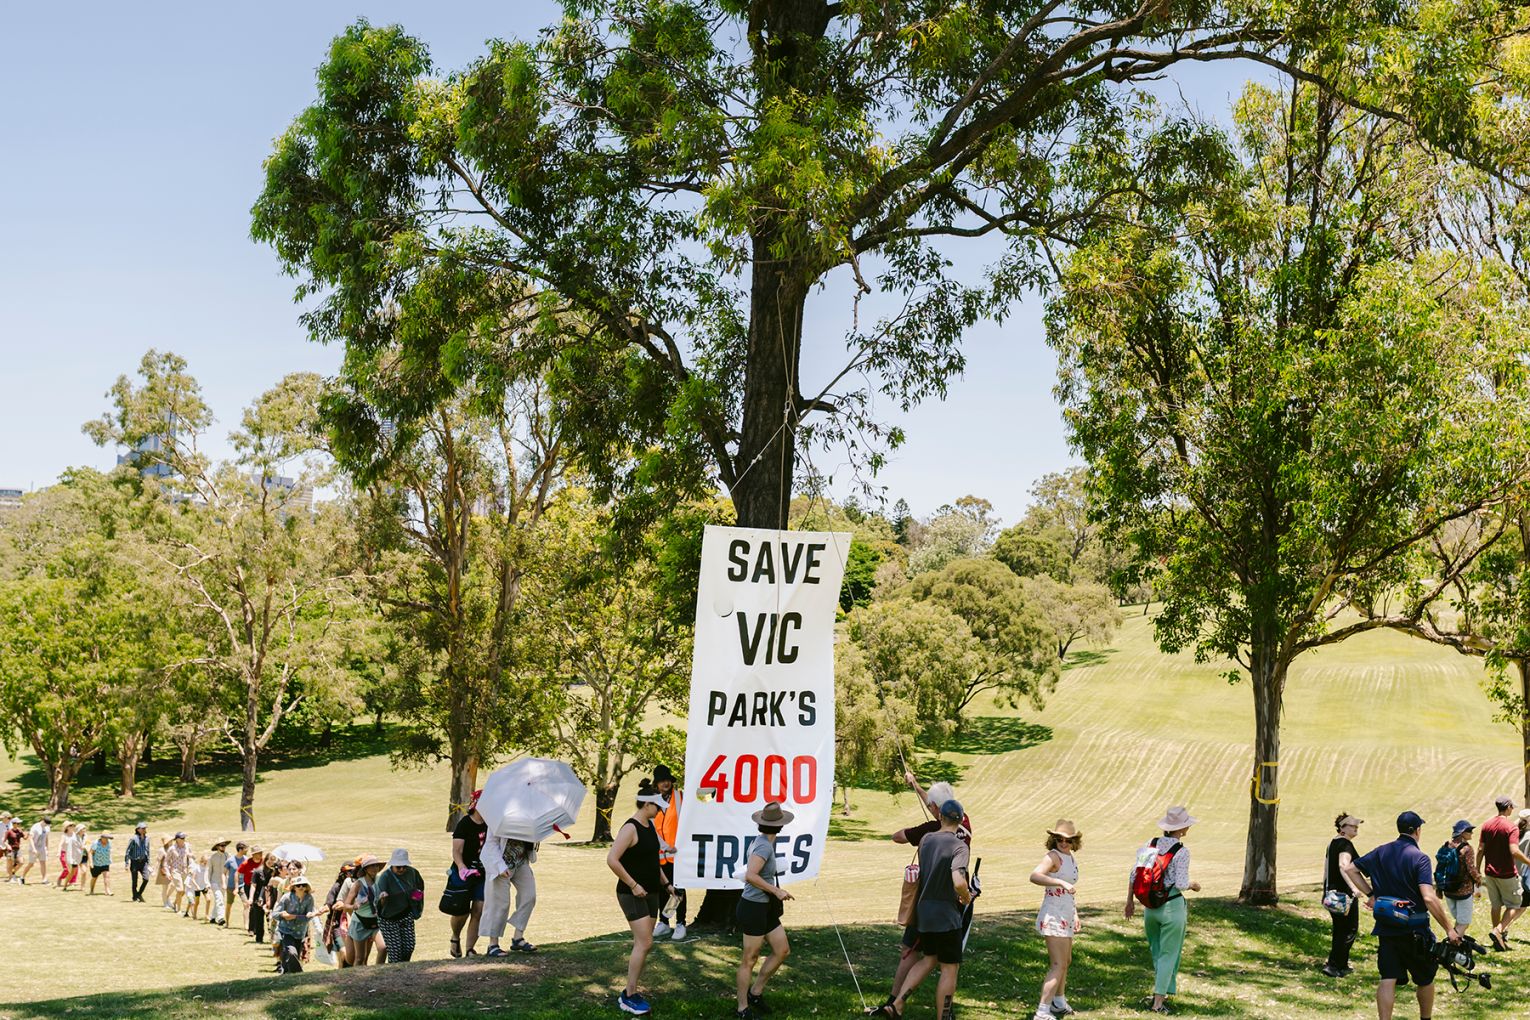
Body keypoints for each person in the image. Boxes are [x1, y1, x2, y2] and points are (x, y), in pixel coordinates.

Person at [869, 773, 973, 1017]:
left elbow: (899, 835)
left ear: (937, 811)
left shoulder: (926, 837)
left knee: (923, 956)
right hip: (948, 909)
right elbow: (958, 881)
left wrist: (917, 788)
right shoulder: (964, 829)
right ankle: (940, 1014)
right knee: (949, 966)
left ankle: (895, 1002)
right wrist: (967, 897)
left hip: (924, 908)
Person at [1343, 811, 1460, 1020]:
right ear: (1417, 830)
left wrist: (1372, 894)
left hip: (1387, 928)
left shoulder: (1381, 851)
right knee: (1425, 978)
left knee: (1387, 978)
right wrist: (1449, 929)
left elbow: (1351, 869)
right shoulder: (1420, 858)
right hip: (1416, 930)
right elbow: (1430, 898)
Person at [606, 778, 674, 1016]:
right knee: (645, 942)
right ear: (647, 805)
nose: (660, 810)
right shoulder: (630, 828)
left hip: (652, 891)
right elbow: (612, 860)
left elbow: (652, 861)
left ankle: (632, 989)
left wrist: (667, 885)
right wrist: (633, 885)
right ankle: (628, 995)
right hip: (631, 893)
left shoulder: (650, 827)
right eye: (657, 807)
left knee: (644, 944)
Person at [1125, 806, 1201, 1015]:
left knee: (1157, 951)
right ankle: (1158, 1003)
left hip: (1150, 908)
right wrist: (1194, 885)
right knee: (1169, 954)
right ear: (1183, 828)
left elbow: (1134, 875)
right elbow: (1181, 882)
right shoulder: (1182, 852)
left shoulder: (1150, 845)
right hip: (1172, 907)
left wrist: (1129, 901)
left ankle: (1163, 991)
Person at [735, 802, 795, 1020]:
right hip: (753, 907)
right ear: (779, 826)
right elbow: (751, 875)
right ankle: (742, 1008)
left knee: (782, 950)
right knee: (749, 958)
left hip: (765, 905)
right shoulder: (763, 846)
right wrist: (776, 890)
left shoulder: (766, 842)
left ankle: (756, 992)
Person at [1028, 819, 1082, 1020]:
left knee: (1065, 961)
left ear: (1074, 841)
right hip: (1053, 914)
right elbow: (1035, 876)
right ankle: (1042, 1011)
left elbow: (1069, 891)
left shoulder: (1070, 857)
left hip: (1066, 913)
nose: (1063, 843)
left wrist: (1075, 913)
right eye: (1059, 839)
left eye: (1068, 840)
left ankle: (1059, 1002)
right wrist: (1059, 882)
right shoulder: (1053, 856)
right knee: (1057, 964)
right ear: (1054, 839)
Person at [1477, 796, 1530, 950]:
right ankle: (1498, 930)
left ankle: (1497, 940)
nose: (1513, 809)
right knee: (1516, 903)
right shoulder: (1510, 827)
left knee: (1496, 905)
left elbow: (1481, 849)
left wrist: (1477, 870)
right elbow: (1514, 851)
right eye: (1512, 807)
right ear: (1507, 808)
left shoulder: (1487, 824)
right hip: (1506, 873)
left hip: (1489, 873)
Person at [1323, 814, 1367, 977]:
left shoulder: (1333, 843)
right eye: (1351, 826)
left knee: (1340, 929)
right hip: (1343, 896)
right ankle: (1334, 966)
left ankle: (1339, 964)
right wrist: (1354, 888)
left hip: (1332, 894)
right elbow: (1344, 866)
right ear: (1342, 828)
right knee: (1349, 929)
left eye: (1356, 826)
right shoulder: (1345, 844)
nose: (1355, 828)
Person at [482, 833, 539, 956]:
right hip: (500, 863)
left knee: (529, 896)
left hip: (521, 861)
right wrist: (500, 866)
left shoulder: (528, 816)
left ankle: (518, 938)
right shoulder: (499, 815)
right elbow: (491, 843)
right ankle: (493, 945)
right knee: (500, 903)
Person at [449, 793, 489, 958]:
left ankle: (470, 949)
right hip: (463, 871)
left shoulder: (490, 825)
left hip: (482, 872)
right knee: (461, 911)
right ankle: (455, 937)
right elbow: (456, 850)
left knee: (478, 909)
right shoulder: (465, 823)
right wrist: (461, 867)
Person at [653, 764, 687, 941]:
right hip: (660, 855)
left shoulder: (681, 797)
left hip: (678, 853)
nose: (665, 784)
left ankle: (680, 923)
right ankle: (664, 922)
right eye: (661, 781)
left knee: (678, 889)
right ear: (656, 784)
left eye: (667, 780)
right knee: (662, 890)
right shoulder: (653, 802)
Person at [375, 848, 425, 963]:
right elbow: (378, 904)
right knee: (395, 952)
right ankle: (394, 974)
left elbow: (420, 887)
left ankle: (403, 970)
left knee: (409, 947)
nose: (402, 869)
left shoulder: (412, 872)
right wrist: (383, 898)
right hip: (389, 919)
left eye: (404, 866)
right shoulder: (385, 877)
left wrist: (416, 897)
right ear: (392, 865)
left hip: (406, 914)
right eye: (398, 867)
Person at [1438, 819, 1481, 940]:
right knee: (1464, 922)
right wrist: (1478, 878)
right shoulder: (1467, 848)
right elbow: (1471, 869)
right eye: (1469, 831)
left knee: (1459, 920)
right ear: (1462, 833)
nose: (1471, 833)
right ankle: (1449, 946)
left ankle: (1457, 945)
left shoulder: (1447, 845)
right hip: (1464, 890)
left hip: (1448, 889)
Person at [273, 876, 323, 974]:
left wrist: (303, 915)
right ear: (293, 887)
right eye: (298, 885)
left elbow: (309, 915)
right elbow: (275, 914)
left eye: (303, 885)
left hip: (300, 933)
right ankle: (299, 974)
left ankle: (287, 974)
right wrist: (282, 914)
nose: (301, 887)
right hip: (286, 930)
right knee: (292, 952)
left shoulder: (309, 898)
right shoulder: (286, 897)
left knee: (294, 956)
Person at [343, 855, 386, 966]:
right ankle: (356, 980)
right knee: (360, 958)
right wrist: (354, 906)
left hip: (375, 921)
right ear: (365, 869)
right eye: (371, 866)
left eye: (376, 865)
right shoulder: (358, 884)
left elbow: (381, 905)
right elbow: (346, 905)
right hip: (360, 922)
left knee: (383, 948)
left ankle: (378, 974)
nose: (374, 868)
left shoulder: (380, 879)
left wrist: (383, 899)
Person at [322, 862, 355, 967]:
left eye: (354, 871)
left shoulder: (358, 885)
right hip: (337, 925)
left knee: (353, 956)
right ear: (344, 873)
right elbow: (329, 903)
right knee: (344, 953)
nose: (352, 874)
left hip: (353, 924)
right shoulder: (337, 886)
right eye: (350, 872)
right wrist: (324, 908)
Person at [242, 847, 271, 943]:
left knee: (270, 919)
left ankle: (273, 938)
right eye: (269, 860)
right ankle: (259, 938)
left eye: (273, 860)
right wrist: (250, 898)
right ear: (265, 860)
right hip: (258, 897)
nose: (271, 862)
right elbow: (253, 885)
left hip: (270, 897)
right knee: (259, 919)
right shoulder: (258, 871)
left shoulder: (274, 871)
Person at [165, 831, 191, 914]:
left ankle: (175, 903)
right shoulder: (172, 849)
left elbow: (190, 857)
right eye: (182, 838)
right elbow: (166, 861)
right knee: (180, 890)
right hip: (175, 871)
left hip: (185, 871)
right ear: (177, 839)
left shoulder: (187, 846)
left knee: (183, 892)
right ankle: (178, 909)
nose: (184, 839)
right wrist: (168, 873)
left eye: (184, 838)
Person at [20, 815, 50, 885]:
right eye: (46, 823)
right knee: (31, 864)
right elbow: (30, 838)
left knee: (43, 863)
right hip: (34, 848)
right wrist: (33, 849)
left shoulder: (47, 828)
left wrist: (47, 848)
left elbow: (46, 838)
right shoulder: (35, 827)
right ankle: (22, 877)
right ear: (42, 821)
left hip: (42, 848)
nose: (46, 825)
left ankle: (44, 879)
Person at [206, 840, 230, 925]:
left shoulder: (227, 856)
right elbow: (208, 871)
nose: (223, 847)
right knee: (219, 899)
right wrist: (208, 883)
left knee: (219, 900)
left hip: (224, 882)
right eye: (221, 845)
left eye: (224, 845)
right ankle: (220, 918)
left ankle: (213, 917)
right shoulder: (212, 858)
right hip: (214, 881)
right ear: (217, 847)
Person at [125, 823, 151, 902]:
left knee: (146, 879)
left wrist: (149, 862)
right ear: (138, 829)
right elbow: (128, 851)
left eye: (145, 828)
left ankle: (139, 893)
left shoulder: (147, 839)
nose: (144, 830)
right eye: (142, 828)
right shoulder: (133, 839)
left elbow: (148, 850)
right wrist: (126, 863)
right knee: (134, 881)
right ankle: (134, 897)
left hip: (143, 862)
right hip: (135, 862)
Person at [55, 823, 81, 890]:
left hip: (73, 854)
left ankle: (72, 882)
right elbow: (60, 844)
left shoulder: (75, 835)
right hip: (64, 853)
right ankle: (60, 878)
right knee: (66, 869)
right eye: (70, 826)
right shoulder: (64, 835)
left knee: (75, 868)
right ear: (67, 827)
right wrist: (58, 852)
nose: (72, 827)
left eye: (73, 825)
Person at [154, 836, 174, 908]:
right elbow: (158, 860)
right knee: (165, 888)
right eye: (170, 841)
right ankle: (165, 903)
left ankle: (169, 901)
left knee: (170, 887)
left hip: (171, 870)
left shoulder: (172, 849)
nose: (172, 842)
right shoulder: (162, 850)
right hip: (164, 870)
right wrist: (154, 870)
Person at [4, 817, 23, 882]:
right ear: (14, 824)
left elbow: (25, 837)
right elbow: (4, 841)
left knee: (21, 862)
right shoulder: (9, 832)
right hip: (10, 850)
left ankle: (12, 874)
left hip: (18, 849)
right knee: (10, 864)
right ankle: (10, 878)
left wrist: (29, 834)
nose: (19, 825)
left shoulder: (19, 831)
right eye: (18, 823)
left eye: (19, 823)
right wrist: (8, 846)